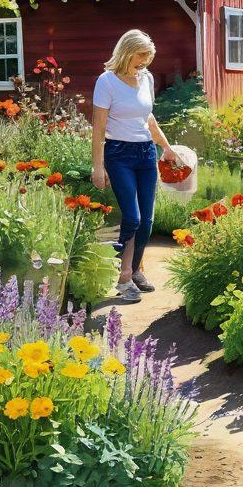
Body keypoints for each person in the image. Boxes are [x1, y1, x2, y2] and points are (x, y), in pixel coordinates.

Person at [91, 29, 177, 303]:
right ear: (127, 52)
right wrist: (98, 167)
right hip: (119, 154)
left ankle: (135, 270)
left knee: (147, 221)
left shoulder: (146, 78)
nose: (144, 62)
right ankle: (124, 274)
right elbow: (99, 128)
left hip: (145, 153)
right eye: (140, 56)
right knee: (133, 217)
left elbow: (147, 118)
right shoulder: (106, 81)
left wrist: (166, 147)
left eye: (148, 57)